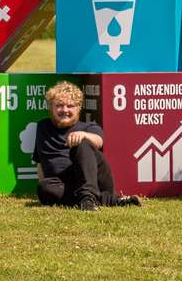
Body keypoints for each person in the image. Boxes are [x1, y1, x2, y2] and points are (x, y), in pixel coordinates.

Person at [30, 81, 142, 211]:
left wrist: (84, 135)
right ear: (51, 107)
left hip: (93, 179)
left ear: (78, 108)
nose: (65, 110)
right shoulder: (42, 127)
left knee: (83, 145)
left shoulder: (88, 127)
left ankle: (88, 199)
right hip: (65, 185)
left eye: (70, 106)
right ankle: (107, 200)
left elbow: (99, 141)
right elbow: (39, 162)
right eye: (59, 105)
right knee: (44, 188)